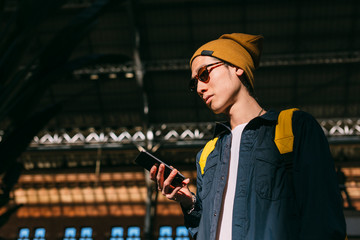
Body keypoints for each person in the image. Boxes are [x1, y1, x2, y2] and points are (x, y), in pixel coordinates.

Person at [150, 33, 347, 239]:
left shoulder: (293, 127)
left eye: (204, 74)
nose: (199, 88)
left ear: (236, 67)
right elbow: (204, 230)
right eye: (194, 84)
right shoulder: (207, 154)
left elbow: (323, 217)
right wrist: (189, 203)